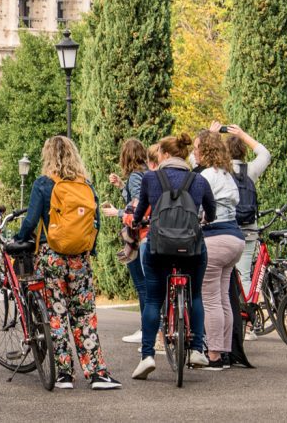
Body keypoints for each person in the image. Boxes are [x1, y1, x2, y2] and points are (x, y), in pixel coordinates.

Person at [13, 136, 121, 390]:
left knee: (56, 315)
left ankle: (64, 375)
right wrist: (87, 251)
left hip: (51, 257)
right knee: (84, 316)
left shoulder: (43, 184)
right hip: (79, 259)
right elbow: (96, 223)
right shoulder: (85, 185)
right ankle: (97, 373)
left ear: (48, 156)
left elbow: (30, 222)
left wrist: (18, 239)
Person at [132, 133, 216, 380]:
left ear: (166, 155)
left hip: (158, 247)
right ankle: (197, 350)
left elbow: (139, 211)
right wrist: (204, 219)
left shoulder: (151, 178)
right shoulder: (198, 180)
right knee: (196, 295)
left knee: (153, 300)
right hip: (191, 248)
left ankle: (147, 356)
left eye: (158, 154)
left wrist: (137, 222)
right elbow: (211, 211)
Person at [193, 129, 245, 369]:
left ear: (205, 150)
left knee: (211, 299)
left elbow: (197, 208)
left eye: (197, 148)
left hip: (215, 238)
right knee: (223, 297)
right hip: (235, 239)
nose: (194, 152)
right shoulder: (227, 174)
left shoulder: (206, 175)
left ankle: (213, 355)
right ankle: (224, 352)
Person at [100, 138, 148, 344]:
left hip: (139, 234)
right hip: (146, 232)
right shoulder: (146, 173)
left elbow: (137, 207)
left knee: (142, 284)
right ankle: (148, 327)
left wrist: (116, 212)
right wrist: (121, 185)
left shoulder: (137, 176)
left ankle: (147, 328)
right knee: (146, 284)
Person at [212, 122, 271, 288]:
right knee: (244, 276)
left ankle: (230, 312)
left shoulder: (218, 172)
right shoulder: (251, 170)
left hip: (225, 231)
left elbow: (195, 161)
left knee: (222, 280)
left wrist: (212, 135)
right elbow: (265, 155)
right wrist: (243, 135)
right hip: (248, 230)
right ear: (244, 151)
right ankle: (248, 310)